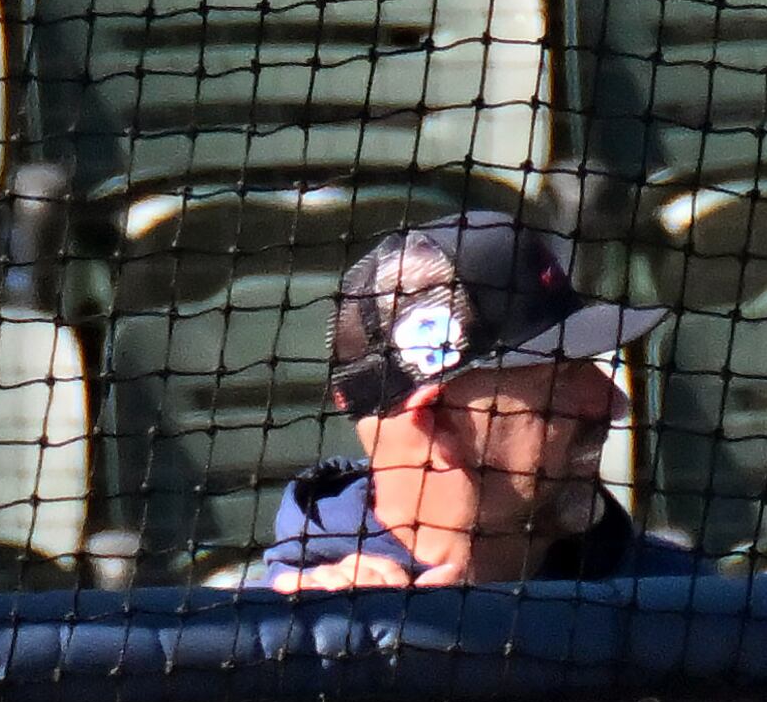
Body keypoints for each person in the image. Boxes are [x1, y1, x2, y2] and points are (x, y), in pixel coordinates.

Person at [262, 212, 688, 592]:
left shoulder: (673, 600)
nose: (614, 402)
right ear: (437, 421)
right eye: (561, 381)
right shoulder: (288, 631)